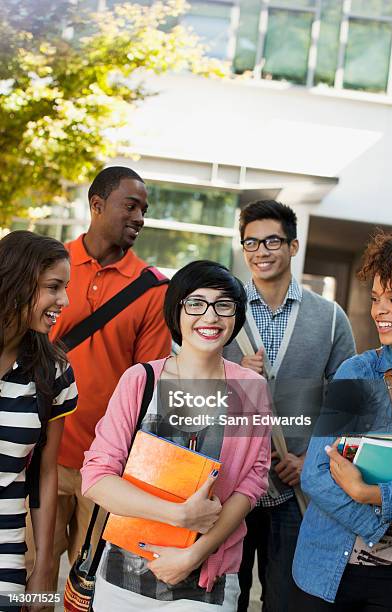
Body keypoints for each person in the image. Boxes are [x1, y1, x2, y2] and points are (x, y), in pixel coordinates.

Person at [81, 260, 271, 611]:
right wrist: (179, 515)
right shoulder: (140, 381)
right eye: (196, 303)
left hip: (207, 581)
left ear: (237, 316)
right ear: (176, 311)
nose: (210, 317)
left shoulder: (251, 389)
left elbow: (252, 483)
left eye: (223, 305)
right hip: (123, 575)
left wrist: (195, 553)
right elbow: (96, 478)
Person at [26, 166, 172, 587]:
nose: (140, 217)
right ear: (96, 205)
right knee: (30, 577)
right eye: (131, 206)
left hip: (107, 468)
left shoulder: (152, 290)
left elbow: (148, 389)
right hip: (39, 456)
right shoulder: (49, 264)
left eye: (144, 210)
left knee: (89, 587)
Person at [223, 200, 356, 612]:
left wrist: (313, 460)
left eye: (272, 241)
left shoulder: (331, 318)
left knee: (290, 602)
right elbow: (191, 391)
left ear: (293, 245)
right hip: (230, 487)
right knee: (226, 599)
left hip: (294, 493)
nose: (261, 251)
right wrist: (232, 372)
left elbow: (349, 406)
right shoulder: (222, 311)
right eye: (251, 243)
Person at [292, 231, 392, 611]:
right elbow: (316, 473)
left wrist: (370, 493)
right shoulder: (358, 372)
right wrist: (387, 520)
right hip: (332, 569)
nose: (379, 311)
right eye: (376, 299)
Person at [0, 231, 77, 604]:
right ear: (17, 280)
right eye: (53, 286)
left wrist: (45, 564)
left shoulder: (54, 372)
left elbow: (46, 471)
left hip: (7, 551)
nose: (63, 300)